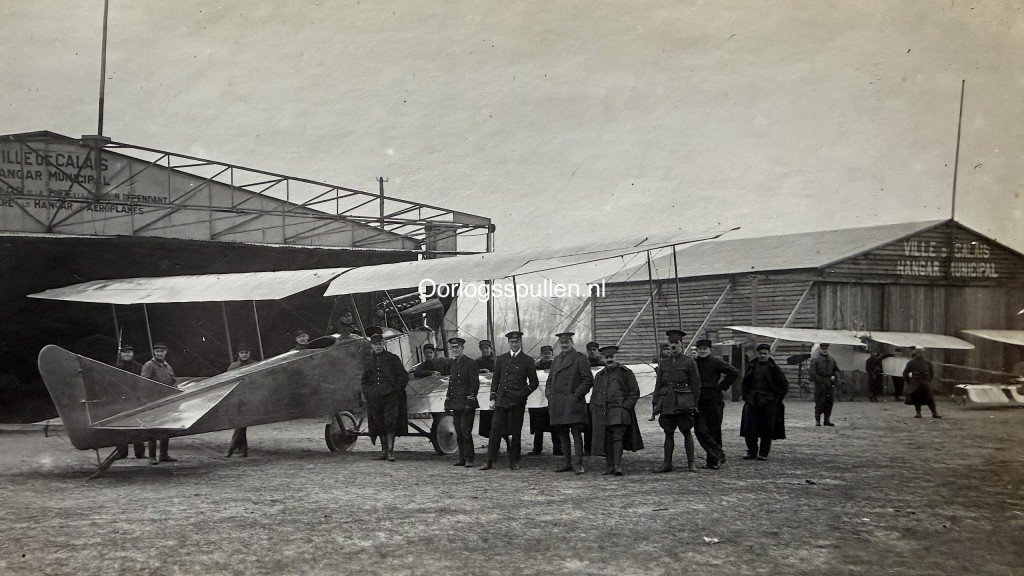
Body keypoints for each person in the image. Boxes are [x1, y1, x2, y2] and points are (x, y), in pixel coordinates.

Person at [480, 331, 539, 471]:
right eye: (512, 342)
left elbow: (534, 383)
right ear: (509, 343)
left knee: (515, 431)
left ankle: (514, 461)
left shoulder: (528, 360)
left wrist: (523, 395)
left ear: (520, 342)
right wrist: (493, 397)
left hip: (517, 402)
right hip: (502, 400)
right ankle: (490, 461)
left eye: (516, 342)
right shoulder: (501, 359)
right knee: (494, 431)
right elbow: (496, 380)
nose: (514, 344)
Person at [652, 329, 706, 473]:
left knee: (686, 431)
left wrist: (694, 403)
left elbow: (696, 385)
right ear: (668, 345)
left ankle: (691, 464)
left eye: (677, 343)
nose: (674, 346)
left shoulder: (689, 362)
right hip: (667, 402)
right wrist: (655, 403)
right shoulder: (663, 363)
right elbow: (658, 385)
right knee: (668, 433)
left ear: (682, 345)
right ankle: (667, 464)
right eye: (671, 343)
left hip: (684, 402)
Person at [590, 345, 643, 476]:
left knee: (617, 436)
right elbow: (595, 394)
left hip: (619, 410)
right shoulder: (599, 375)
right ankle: (609, 466)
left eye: (611, 357)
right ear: (602, 358)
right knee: (606, 438)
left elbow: (634, 392)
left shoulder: (626, 372)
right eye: (606, 357)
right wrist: (593, 408)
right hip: (603, 411)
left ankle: (617, 465)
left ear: (616, 357)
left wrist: (625, 407)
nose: (609, 360)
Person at [546, 331, 594, 474]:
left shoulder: (580, 358)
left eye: (567, 342)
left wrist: (576, 395)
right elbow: (549, 381)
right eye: (562, 343)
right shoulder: (556, 360)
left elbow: (588, 379)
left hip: (573, 402)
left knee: (576, 432)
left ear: (572, 343)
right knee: (562, 432)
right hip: (558, 402)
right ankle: (566, 463)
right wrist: (550, 395)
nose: (564, 345)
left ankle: (578, 464)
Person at [361, 332, 409, 461]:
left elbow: (403, 376)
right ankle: (383, 451)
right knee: (379, 423)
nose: (378, 346)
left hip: (390, 396)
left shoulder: (393, 358)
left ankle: (390, 452)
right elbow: (364, 380)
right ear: (371, 346)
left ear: (384, 344)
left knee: (390, 423)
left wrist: (395, 390)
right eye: (375, 344)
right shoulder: (369, 361)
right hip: (375, 398)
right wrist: (368, 392)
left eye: (380, 344)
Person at [693, 338, 739, 469]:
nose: (702, 351)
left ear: (710, 350)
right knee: (700, 430)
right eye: (700, 349)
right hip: (698, 400)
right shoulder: (694, 363)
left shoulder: (715, 361)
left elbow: (734, 372)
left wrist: (721, 387)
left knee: (714, 430)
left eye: (705, 349)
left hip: (714, 400)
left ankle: (713, 462)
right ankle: (719, 454)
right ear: (697, 350)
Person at [740, 344, 789, 461]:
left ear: (769, 354)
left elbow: (784, 385)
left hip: (769, 402)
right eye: (760, 353)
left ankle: (763, 453)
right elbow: (745, 382)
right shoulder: (752, 366)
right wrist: (746, 396)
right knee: (749, 428)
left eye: (765, 353)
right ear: (757, 354)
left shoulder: (774, 368)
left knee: (767, 428)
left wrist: (776, 399)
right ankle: (752, 451)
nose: (762, 355)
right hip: (752, 401)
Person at [141, 342, 178, 465]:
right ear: (154, 352)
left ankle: (164, 455)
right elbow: (144, 382)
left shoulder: (168, 366)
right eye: (157, 351)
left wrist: (175, 391)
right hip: (153, 401)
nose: (160, 353)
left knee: (166, 428)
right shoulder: (149, 365)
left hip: (167, 402)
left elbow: (173, 382)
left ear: (166, 352)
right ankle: (152, 456)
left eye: (162, 351)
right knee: (153, 429)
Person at [446, 337, 480, 467]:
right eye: (453, 348)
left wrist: (470, 401)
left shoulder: (470, 363)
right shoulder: (453, 364)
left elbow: (474, 384)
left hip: (466, 403)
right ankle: (462, 458)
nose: (455, 350)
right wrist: (447, 399)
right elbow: (451, 384)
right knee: (459, 432)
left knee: (466, 432)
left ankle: (470, 458)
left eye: (457, 347)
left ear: (462, 348)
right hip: (456, 403)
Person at [113, 345, 146, 460]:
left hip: (135, 400)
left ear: (132, 354)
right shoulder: (116, 368)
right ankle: (122, 452)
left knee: (137, 426)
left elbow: (142, 383)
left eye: (129, 352)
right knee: (120, 427)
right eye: (124, 352)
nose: (127, 354)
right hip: (121, 400)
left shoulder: (139, 367)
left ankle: (140, 452)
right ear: (121, 354)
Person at [528, 345, 562, 456]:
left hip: (552, 400)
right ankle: (537, 449)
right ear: (541, 354)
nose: (547, 355)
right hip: (538, 400)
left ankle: (557, 448)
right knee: (538, 427)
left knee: (555, 426)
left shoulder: (558, 365)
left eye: (549, 353)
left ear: (552, 354)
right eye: (544, 353)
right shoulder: (535, 366)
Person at [226, 343, 256, 457]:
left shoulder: (256, 365)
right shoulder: (233, 366)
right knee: (241, 423)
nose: (244, 355)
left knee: (242, 423)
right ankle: (242, 449)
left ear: (249, 353)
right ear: (238, 354)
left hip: (249, 397)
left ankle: (232, 448)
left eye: (246, 353)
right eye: (242, 353)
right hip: (237, 397)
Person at [903, 348, 941, 419]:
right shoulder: (911, 362)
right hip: (916, 382)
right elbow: (905, 373)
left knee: (930, 398)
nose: (920, 355)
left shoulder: (927, 362)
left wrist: (929, 380)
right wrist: (910, 382)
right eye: (918, 353)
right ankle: (918, 413)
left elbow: (931, 372)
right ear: (916, 354)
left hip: (926, 381)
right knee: (917, 397)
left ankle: (934, 413)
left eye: (921, 353)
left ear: (923, 354)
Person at [809, 343, 840, 426]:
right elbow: (812, 372)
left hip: (829, 383)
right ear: (820, 350)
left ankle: (827, 420)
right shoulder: (815, 360)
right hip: (820, 384)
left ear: (828, 349)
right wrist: (820, 380)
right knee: (819, 402)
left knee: (829, 402)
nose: (824, 350)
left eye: (826, 349)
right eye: (823, 349)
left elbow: (836, 370)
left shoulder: (832, 359)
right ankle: (818, 421)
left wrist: (834, 377)